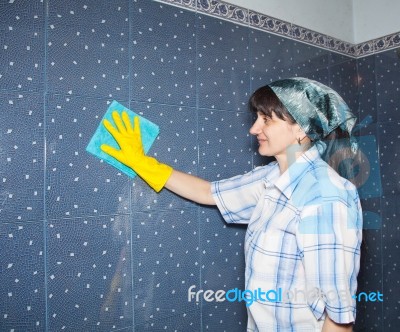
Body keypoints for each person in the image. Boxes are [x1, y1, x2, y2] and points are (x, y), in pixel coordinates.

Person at [101, 77, 363, 332]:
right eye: (256, 118)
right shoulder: (272, 177)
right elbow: (207, 192)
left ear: (302, 129)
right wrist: (143, 163)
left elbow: (338, 318)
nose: (253, 129)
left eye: (266, 119)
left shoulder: (327, 196)